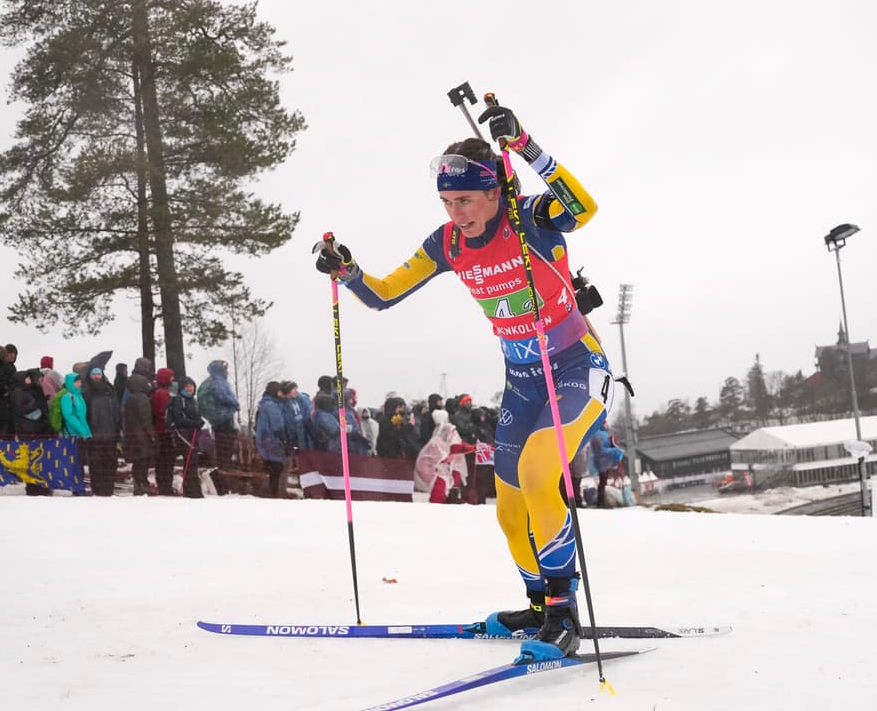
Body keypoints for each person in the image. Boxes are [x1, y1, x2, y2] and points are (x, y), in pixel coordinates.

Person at [314, 102, 611, 661]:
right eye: (447, 203)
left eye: (466, 201)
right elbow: (383, 293)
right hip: (523, 379)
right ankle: (539, 605)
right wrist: (347, 273)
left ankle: (565, 611)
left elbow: (584, 207)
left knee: (540, 472)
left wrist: (524, 144)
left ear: (495, 192)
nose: (457, 214)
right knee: (508, 504)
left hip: (575, 368)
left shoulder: (530, 217)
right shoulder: (448, 244)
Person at [167, 376, 206, 498]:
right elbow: (179, 418)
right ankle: (191, 490)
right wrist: (194, 423)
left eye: (191, 386)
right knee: (189, 461)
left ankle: (193, 489)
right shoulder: (179, 400)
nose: (189, 388)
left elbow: (196, 416)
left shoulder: (193, 401)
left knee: (193, 462)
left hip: (193, 434)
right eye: (187, 386)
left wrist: (199, 422)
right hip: (183, 435)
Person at [83, 367, 120, 497]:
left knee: (110, 462)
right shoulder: (87, 392)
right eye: (94, 374)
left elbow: (116, 411)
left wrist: (117, 429)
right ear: (90, 376)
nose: (97, 376)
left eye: (99, 374)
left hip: (110, 433)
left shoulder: (110, 390)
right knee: (96, 462)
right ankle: (97, 489)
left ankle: (109, 488)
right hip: (94, 434)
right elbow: (84, 414)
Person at [197, 360, 239, 460]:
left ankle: (222, 467)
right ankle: (225, 468)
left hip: (215, 419)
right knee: (226, 446)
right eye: (225, 369)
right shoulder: (218, 381)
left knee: (220, 445)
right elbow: (223, 396)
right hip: (224, 417)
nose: (227, 372)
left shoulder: (208, 381)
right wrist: (235, 403)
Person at [123, 373, 157, 495]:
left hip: (132, 434)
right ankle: (142, 483)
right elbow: (146, 418)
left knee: (137, 461)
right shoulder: (142, 398)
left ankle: (138, 483)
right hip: (142, 435)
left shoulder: (130, 398)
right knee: (143, 461)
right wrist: (152, 433)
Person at [255, 381, 290, 496]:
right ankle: (274, 494)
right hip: (273, 441)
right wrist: (285, 440)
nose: (281, 393)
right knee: (276, 469)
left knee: (272, 469)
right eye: (279, 391)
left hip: (266, 440)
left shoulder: (265, 403)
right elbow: (277, 425)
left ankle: (272, 493)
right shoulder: (271, 405)